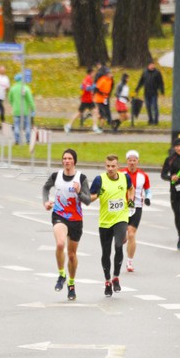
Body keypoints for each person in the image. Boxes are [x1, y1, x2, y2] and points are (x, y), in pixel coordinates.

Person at [42, 149, 91, 301]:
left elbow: (88, 200)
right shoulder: (56, 176)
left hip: (76, 220)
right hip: (59, 215)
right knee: (60, 244)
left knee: (71, 255)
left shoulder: (81, 178)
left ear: (74, 161)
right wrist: (46, 201)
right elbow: (45, 188)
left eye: (69, 159)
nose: (67, 161)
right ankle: (62, 274)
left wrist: (78, 192)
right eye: (64, 158)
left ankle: (71, 284)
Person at [90, 155, 133, 297]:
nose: (110, 169)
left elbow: (131, 189)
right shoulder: (99, 180)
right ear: (105, 166)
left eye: (113, 166)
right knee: (106, 252)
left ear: (118, 167)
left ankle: (116, 277)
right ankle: (107, 281)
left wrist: (131, 200)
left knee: (119, 246)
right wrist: (98, 194)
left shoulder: (125, 178)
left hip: (121, 218)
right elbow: (90, 197)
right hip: (105, 222)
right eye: (108, 166)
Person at [121, 150, 151, 272]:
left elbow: (148, 190)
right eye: (130, 160)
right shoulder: (121, 173)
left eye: (134, 160)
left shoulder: (143, 176)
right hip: (122, 207)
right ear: (127, 161)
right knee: (123, 237)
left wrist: (148, 198)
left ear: (138, 161)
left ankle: (129, 262)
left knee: (131, 234)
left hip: (137, 207)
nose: (132, 163)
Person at [65, 67, 102, 134]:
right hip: (86, 100)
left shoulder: (89, 79)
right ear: (91, 73)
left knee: (95, 111)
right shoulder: (87, 79)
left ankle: (95, 127)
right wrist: (94, 86)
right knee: (79, 113)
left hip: (89, 100)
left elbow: (82, 86)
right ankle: (68, 125)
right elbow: (87, 88)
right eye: (94, 72)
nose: (94, 74)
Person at [135, 60, 165, 125]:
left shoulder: (157, 73)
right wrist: (137, 89)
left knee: (154, 107)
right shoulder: (145, 72)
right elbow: (141, 81)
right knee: (148, 107)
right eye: (151, 65)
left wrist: (162, 91)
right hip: (146, 93)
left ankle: (156, 120)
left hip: (154, 93)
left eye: (153, 65)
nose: (152, 66)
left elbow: (160, 83)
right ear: (148, 65)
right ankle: (150, 119)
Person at [9, 73, 35, 145]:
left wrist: (13, 105)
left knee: (16, 125)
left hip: (16, 110)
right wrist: (33, 108)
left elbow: (10, 99)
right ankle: (28, 140)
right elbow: (30, 100)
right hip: (25, 111)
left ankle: (17, 140)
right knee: (27, 126)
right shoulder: (26, 88)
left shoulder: (13, 88)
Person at [94, 66, 116, 131]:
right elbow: (97, 88)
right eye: (109, 74)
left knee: (106, 111)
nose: (111, 75)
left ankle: (106, 122)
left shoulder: (111, 80)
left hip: (105, 98)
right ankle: (100, 127)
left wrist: (108, 94)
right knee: (103, 113)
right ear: (106, 74)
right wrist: (102, 94)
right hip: (99, 99)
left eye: (111, 73)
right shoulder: (103, 80)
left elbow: (111, 87)